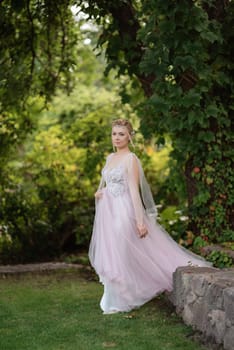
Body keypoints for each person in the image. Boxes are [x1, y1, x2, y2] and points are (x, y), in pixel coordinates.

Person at [89, 119, 211, 314]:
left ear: (129, 136)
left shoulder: (131, 159)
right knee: (112, 251)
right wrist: (101, 192)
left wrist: (139, 221)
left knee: (121, 250)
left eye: (121, 134)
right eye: (114, 134)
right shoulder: (110, 157)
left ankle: (121, 298)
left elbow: (133, 191)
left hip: (123, 210)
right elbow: (107, 182)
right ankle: (114, 295)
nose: (117, 137)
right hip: (107, 211)